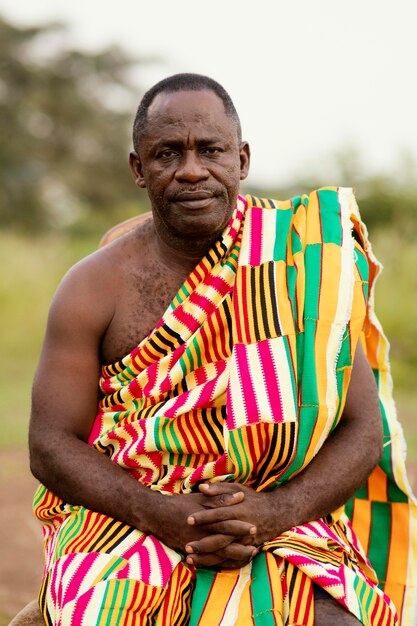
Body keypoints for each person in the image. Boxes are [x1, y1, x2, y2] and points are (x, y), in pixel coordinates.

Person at [29, 73, 416, 626]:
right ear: (139, 169)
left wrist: (273, 514)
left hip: (276, 517)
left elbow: (361, 427)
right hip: (129, 515)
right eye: (168, 153)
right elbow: (49, 443)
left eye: (210, 150)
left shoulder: (302, 262)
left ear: (242, 159)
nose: (191, 170)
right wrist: (164, 515)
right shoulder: (94, 286)